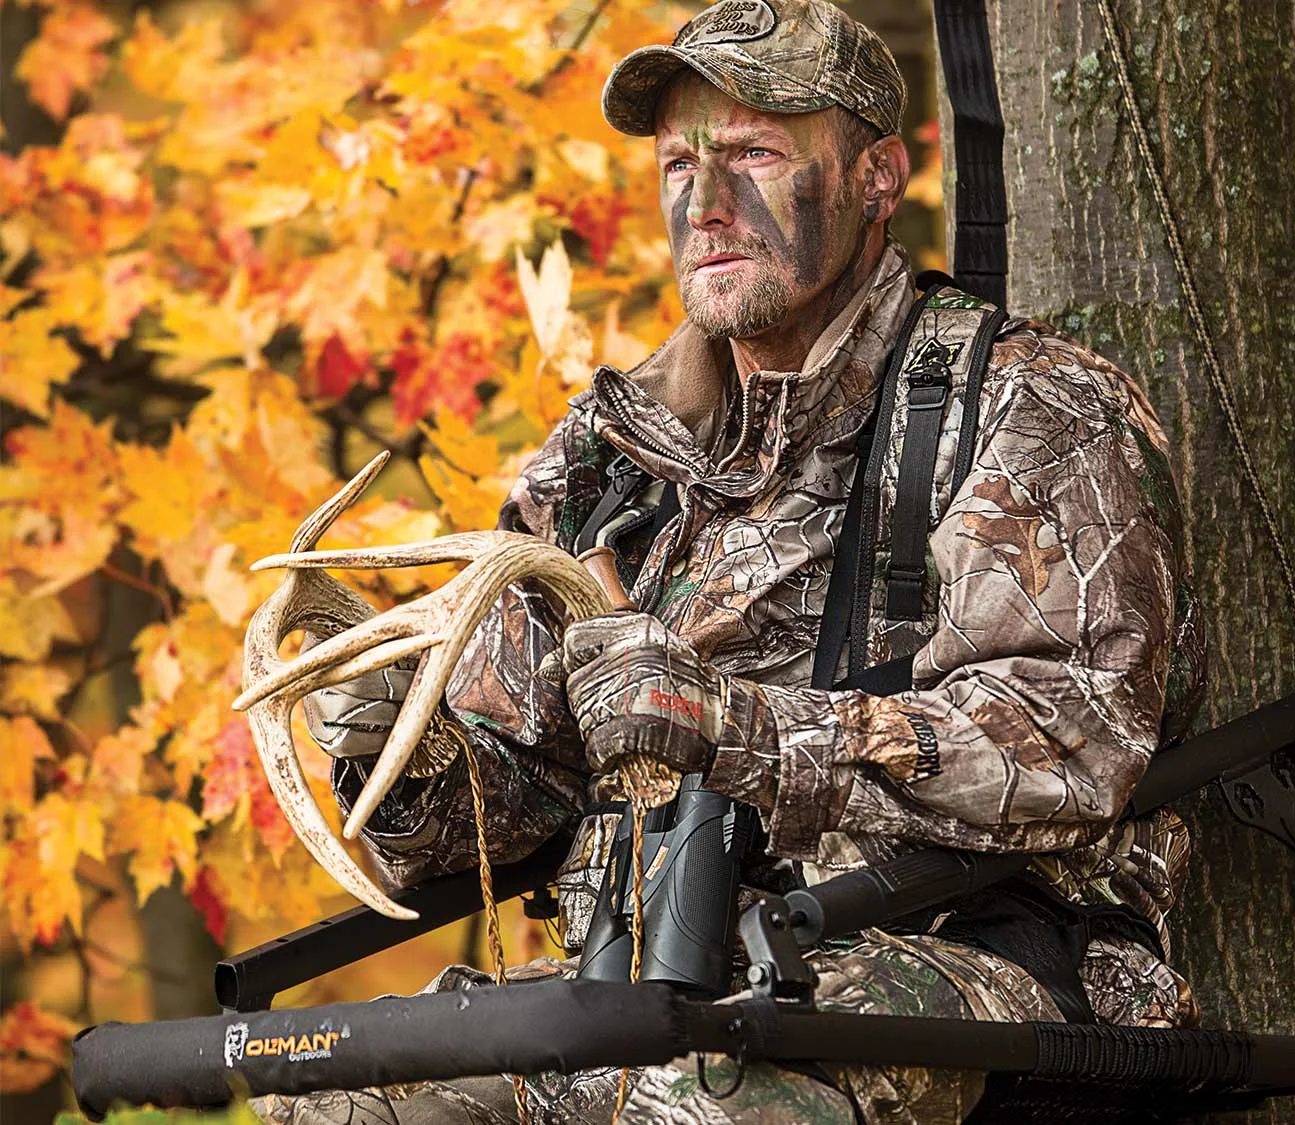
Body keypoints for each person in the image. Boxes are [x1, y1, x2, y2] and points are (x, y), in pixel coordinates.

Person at [255, 0, 1206, 1121]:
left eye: (754, 153)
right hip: (644, 982)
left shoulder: (1024, 408)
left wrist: (732, 728)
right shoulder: (603, 460)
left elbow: (1067, 743)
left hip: (960, 963)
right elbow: (507, 801)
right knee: (333, 1101)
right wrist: (392, 756)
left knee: (695, 1098)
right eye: (676, 163)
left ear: (874, 176)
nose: (704, 204)